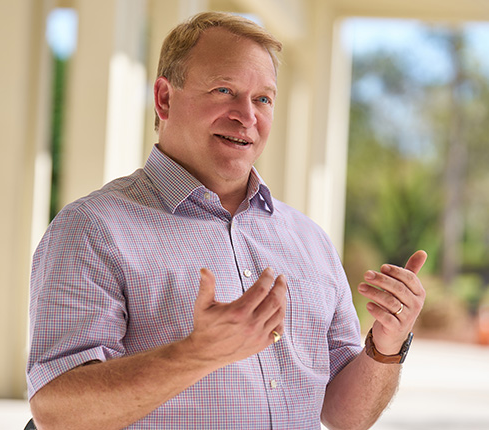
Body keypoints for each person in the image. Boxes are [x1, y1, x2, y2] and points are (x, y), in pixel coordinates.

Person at [27, 11, 427, 430]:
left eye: (263, 99)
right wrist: (197, 353)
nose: (247, 116)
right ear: (164, 99)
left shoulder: (310, 239)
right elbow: (58, 411)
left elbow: (346, 417)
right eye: (224, 90)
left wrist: (387, 343)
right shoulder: (92, 229)